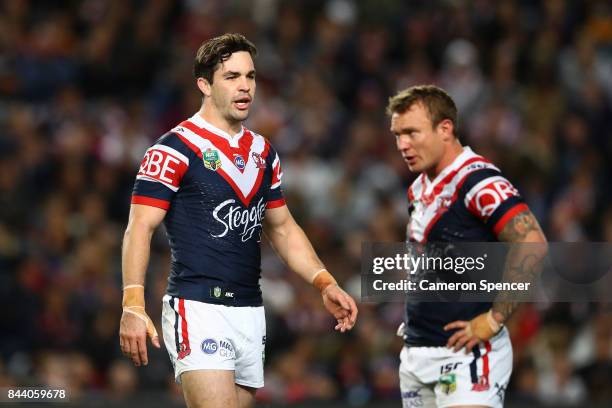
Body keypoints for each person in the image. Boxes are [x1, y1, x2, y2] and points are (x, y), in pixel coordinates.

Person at [119, 33, 358, 408]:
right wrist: (133, 303)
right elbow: (139, 227)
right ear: (205, 84)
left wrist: (323, 281)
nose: (245, 86)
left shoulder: (264, 152)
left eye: (250, 76)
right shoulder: (174, 148)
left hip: (249, 310)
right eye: (231, 76)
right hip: (198, 306)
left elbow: (282, 227)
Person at [387, 85, 547, 408]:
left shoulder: (479, 181)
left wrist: (494, 319)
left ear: (445, 129)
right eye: (397, 134)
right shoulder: (419, 186)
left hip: (466, 357)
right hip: (418, 355)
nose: (402, 145)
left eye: (412, 133)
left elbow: (532, 242)